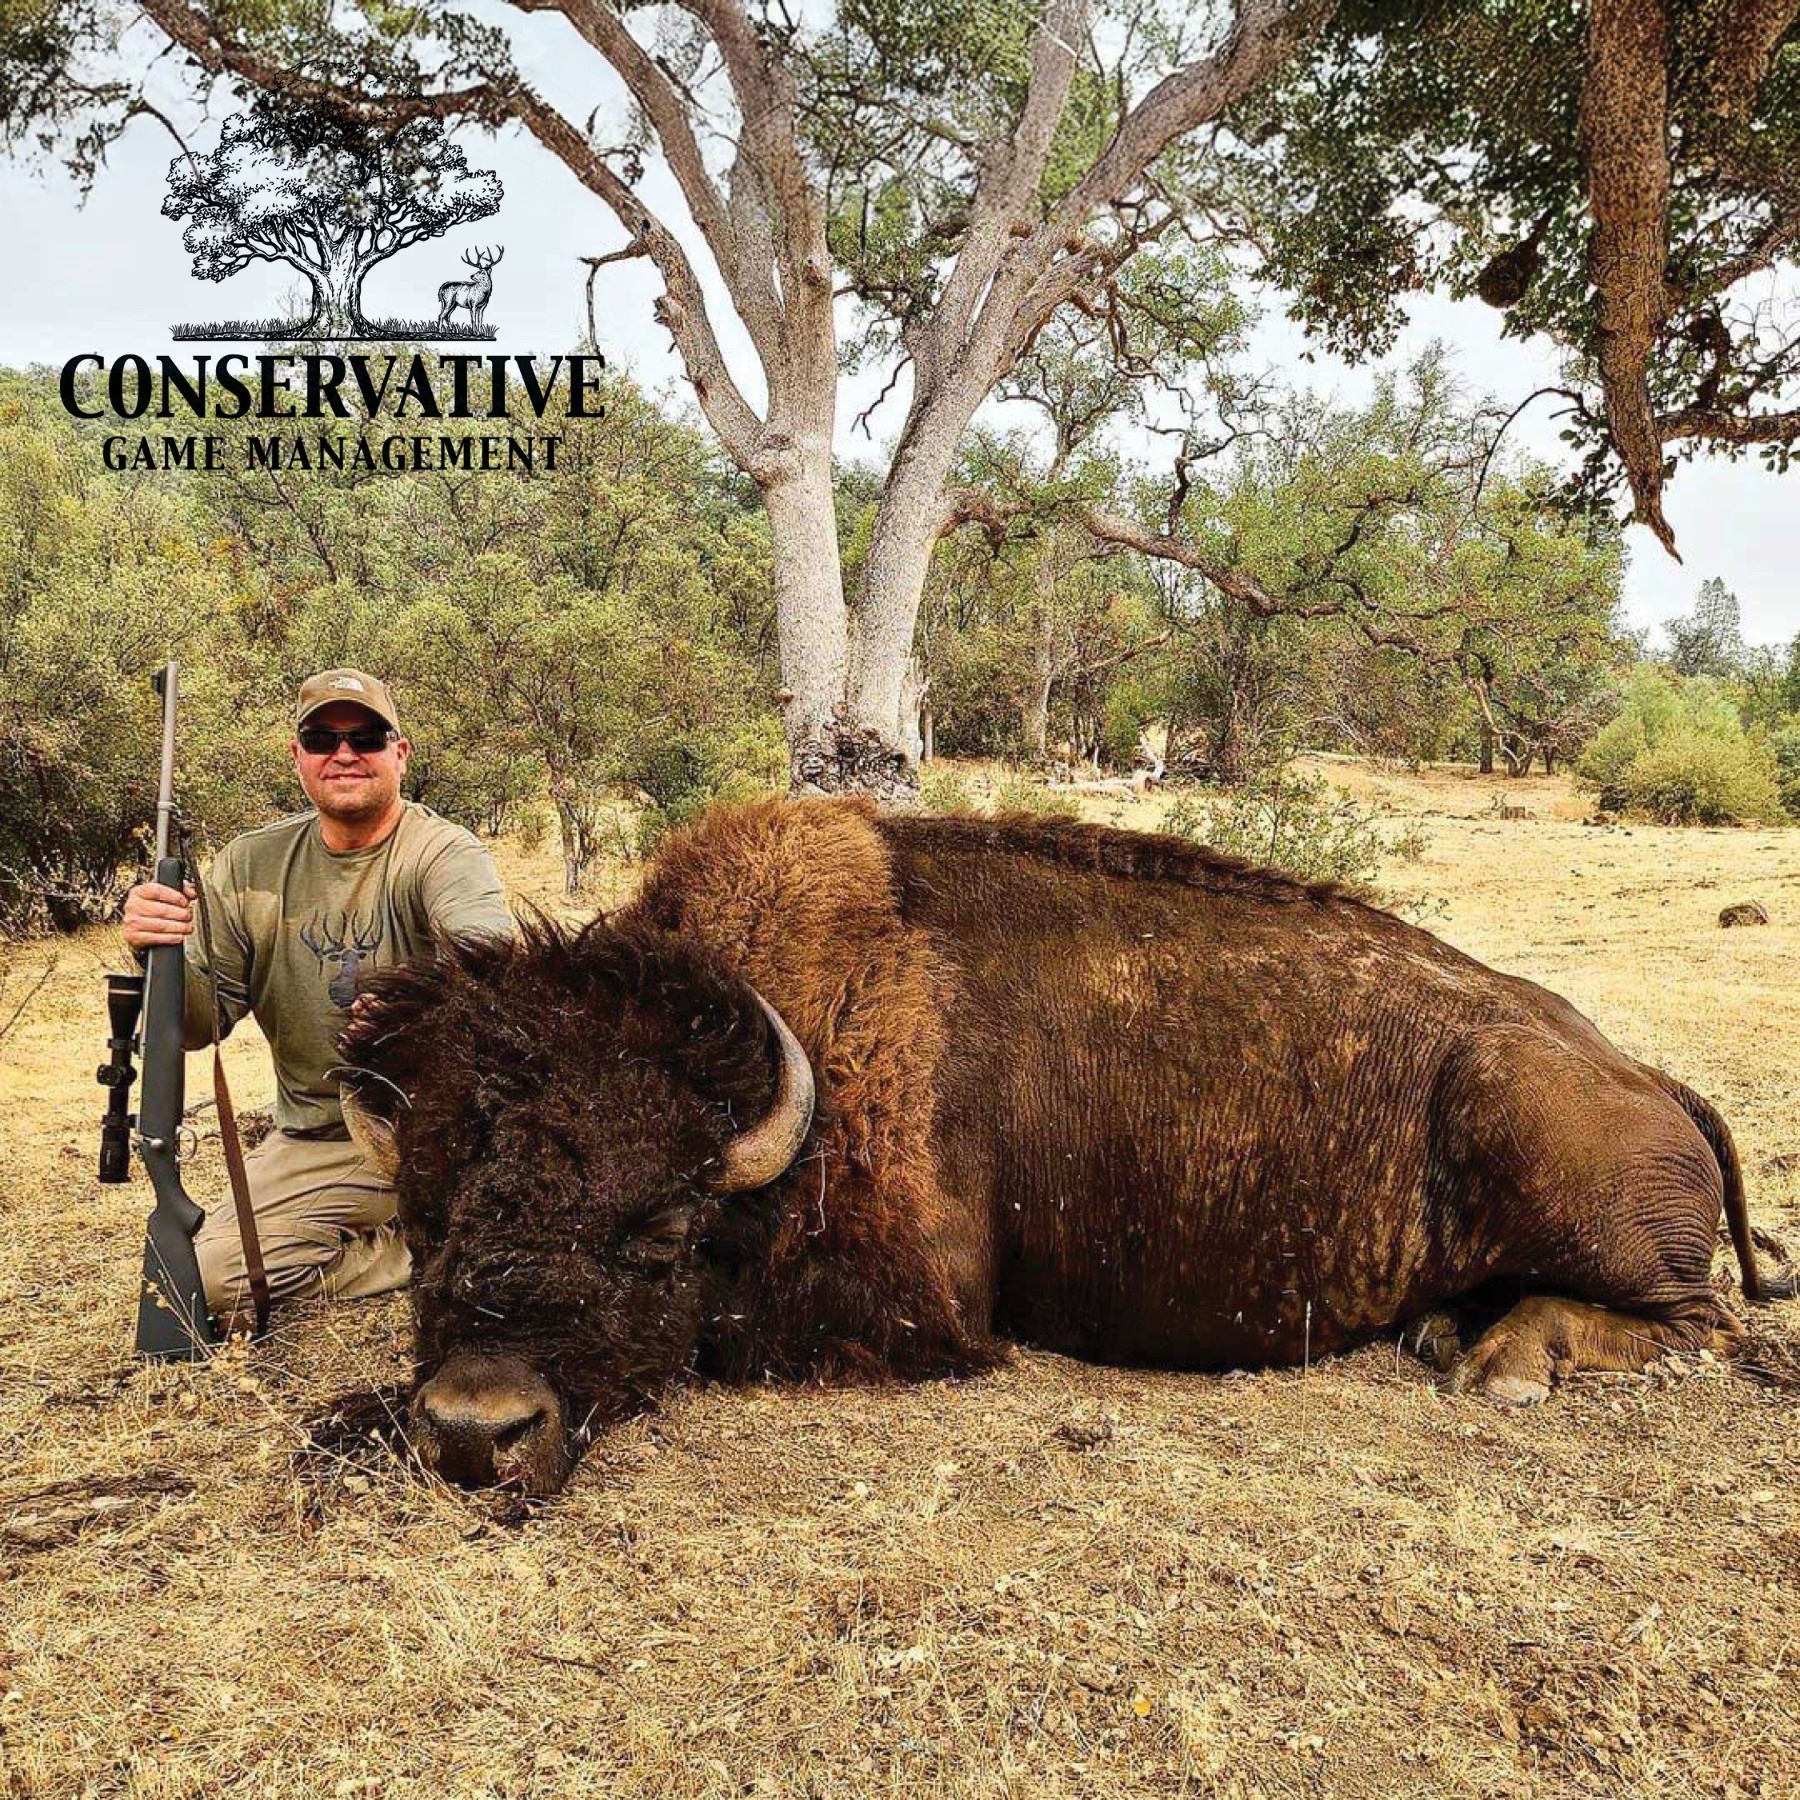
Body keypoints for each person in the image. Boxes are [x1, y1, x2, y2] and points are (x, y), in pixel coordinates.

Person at [121, 668, 512, 1320]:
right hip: (317, 1139)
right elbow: (197, 1026)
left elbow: (492, 964)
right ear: (297, 755)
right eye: (323, 739)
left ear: (400, 753)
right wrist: (157, 952)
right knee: (205, 1283)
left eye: (367, 738)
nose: (345, 754)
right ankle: (417, 1250)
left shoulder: (443, 852)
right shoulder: (250, 864)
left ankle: (439, 1228)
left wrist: (412, 1008)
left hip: (436, 1132)